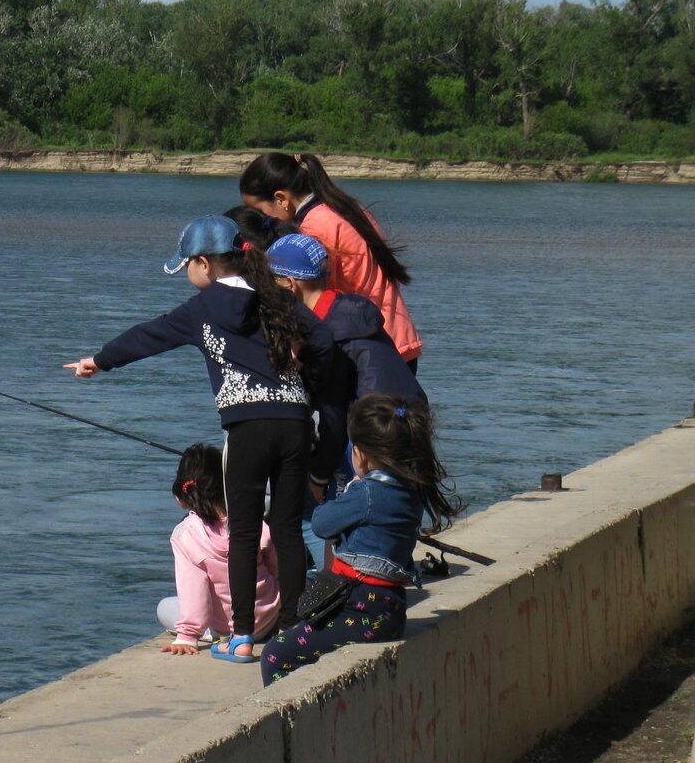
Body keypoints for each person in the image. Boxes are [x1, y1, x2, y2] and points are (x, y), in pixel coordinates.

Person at [66, 214, 335, 664]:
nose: (187, 273)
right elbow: (323, 340)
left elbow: (148, 336)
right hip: (294, 421)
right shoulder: (277, 300)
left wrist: (99, 361)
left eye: (187, 264)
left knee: (245, 531)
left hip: (247, 427)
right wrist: (306, 382)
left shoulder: (203, 308)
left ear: (205, 264)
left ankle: (244, 638)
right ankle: (293, 629)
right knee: (288, 528)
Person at [260, 394, 463, 685]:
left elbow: (321, 524)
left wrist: (346, 493)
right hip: (389, 609)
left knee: (275, 655)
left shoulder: (366, 493)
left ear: (361, 454)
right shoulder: (412, 492)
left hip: (359, 608)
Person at [265, 233, 428, 572]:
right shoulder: (349, 309)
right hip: (407, 412)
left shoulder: (324, 333)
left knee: (318, 501)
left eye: (272, 284)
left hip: (370, 425)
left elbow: (334, 414)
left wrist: (320, 475)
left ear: (291, 285)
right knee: (392, 498)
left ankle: (329, 579)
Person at [239, 152, 423, 371]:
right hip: (396, 335)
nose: (264, 221)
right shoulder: (345, 207)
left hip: (367, 347)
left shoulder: (313, 229)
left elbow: (314, 294)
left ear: (281, 199)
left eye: (261, 212)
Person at [157, 443, 280, 654]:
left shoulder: (186, 535)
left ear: (183, 494)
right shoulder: (250, 520)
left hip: (232, 628)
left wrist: (187, 636)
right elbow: (275, 568)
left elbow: (194, 591)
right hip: (271, 617)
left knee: (164, 608)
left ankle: (210, 634)